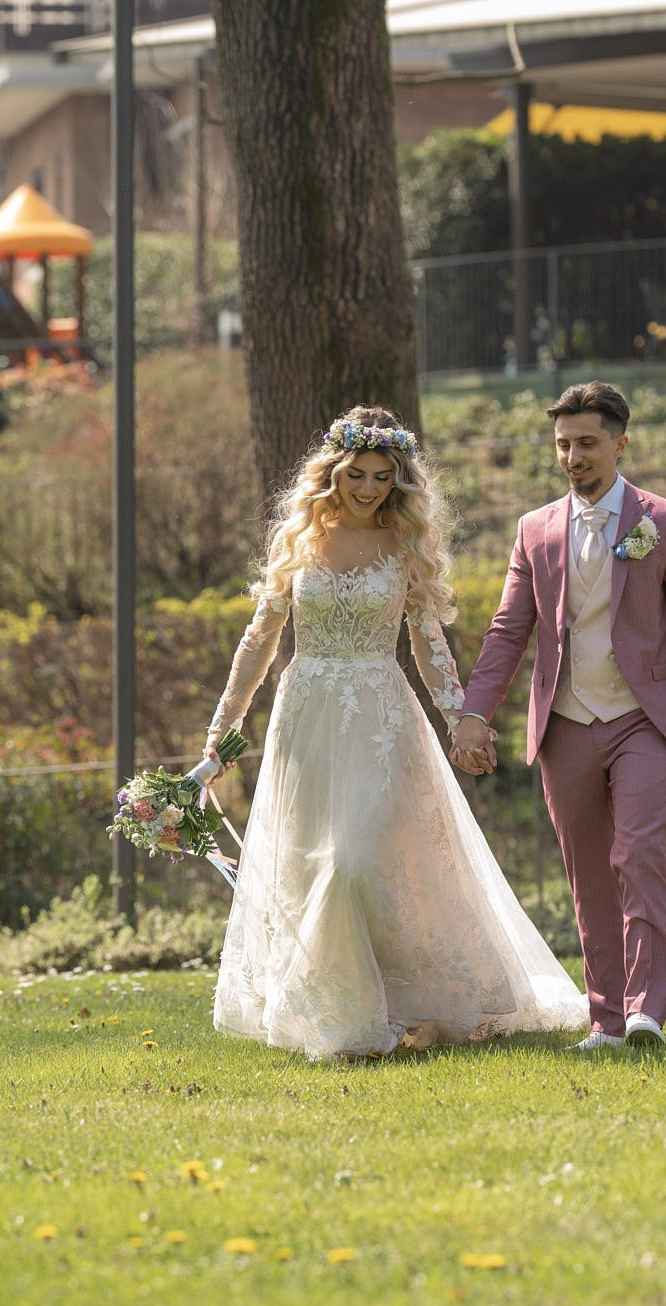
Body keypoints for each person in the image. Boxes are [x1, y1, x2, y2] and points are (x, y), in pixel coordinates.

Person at [203, 406, 589, 1061]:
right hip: (306, 720)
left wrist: (460, 719)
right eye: (357, 474)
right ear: (333, 472)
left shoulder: (404, 545)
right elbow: (259, 639)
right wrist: (223, 729)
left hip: (380, 720)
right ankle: (345, 1020)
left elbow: (428, 642)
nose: (369, 488)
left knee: (356, 864)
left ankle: (387, 1009)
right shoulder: (298, 541)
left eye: (383, 477)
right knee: (315, 865)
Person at [450, 381, 666, 1052]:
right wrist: (474, 713)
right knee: (588, 874)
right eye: (562, 445)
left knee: (638, 853)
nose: (573, 457)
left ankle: (646, 1012)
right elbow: (507, 631)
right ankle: (605, 1020)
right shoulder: (535, 530)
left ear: (619, 444)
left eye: (586, 443)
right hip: (566, 722)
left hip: (645, 719)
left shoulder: (665, 523)